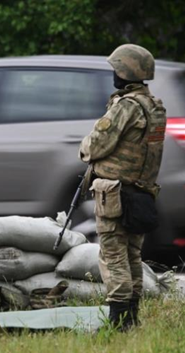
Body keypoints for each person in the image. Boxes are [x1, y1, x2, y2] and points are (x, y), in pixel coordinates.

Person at [79, 44, 166, 330]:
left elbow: (95, 145)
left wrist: (85, 149)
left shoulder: (126, 107)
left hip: (115, 195)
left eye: (116, 69)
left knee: (113, 256)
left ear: (125, 72)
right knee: (132, 256)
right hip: (141, 193)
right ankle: (133, 318)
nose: (113, 75)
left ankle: (120, 323)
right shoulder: (154, 106)